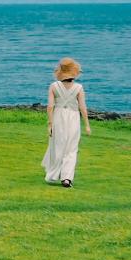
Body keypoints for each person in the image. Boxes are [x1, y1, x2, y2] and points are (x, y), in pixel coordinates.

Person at [42, 57, 91, 187]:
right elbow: (82, 108)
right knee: (71, 148)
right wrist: (87, 125)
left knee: (57, 146)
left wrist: (50, 124)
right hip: (73, 118)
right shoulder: (79, 88)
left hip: (58, 117)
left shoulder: (53, 86)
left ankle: (54, 174)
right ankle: (67, 178)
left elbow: (50, 106)